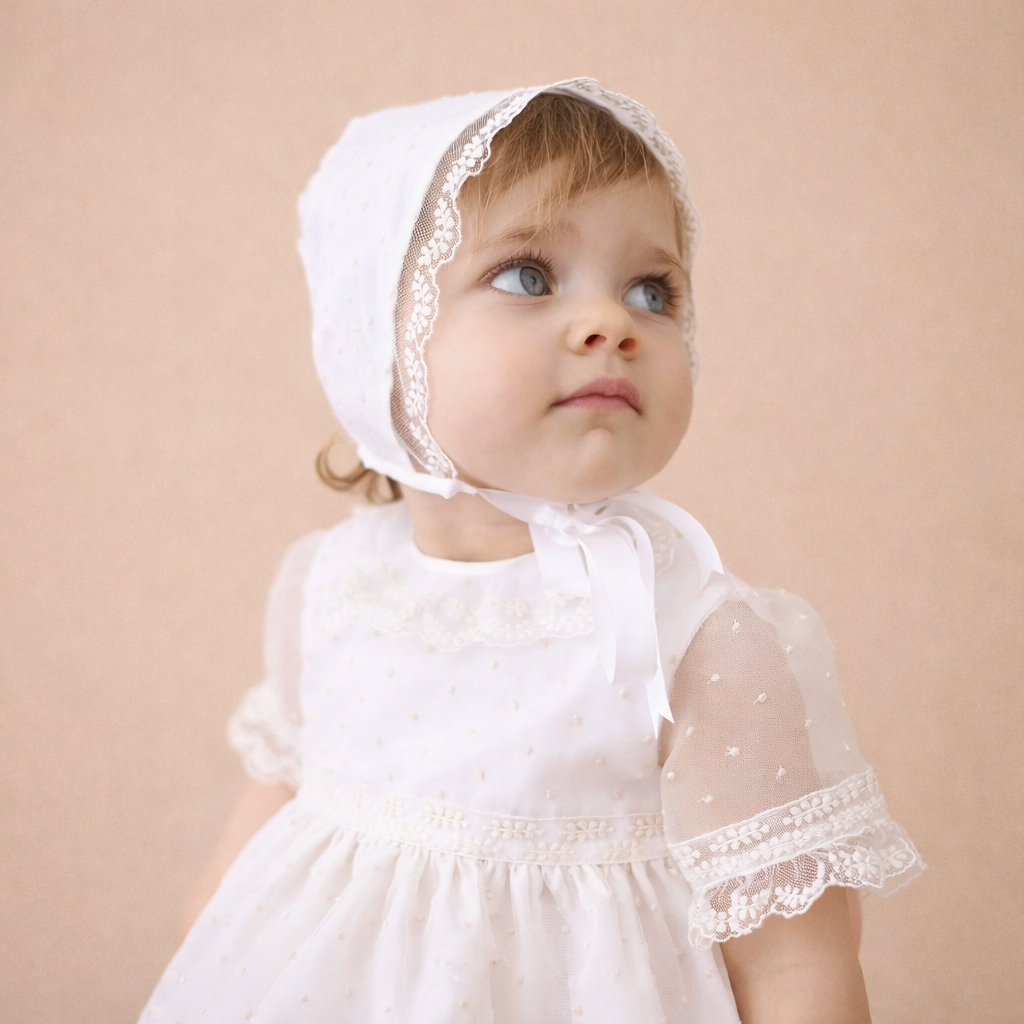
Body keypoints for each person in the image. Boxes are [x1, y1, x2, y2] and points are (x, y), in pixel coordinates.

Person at [136, 78, 925, 1023]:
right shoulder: (332, 585)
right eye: (528, 276)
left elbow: (797, 968)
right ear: (373, 342)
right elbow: (245, 864)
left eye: (651, 289)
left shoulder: (694, 638)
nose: (613, 323)